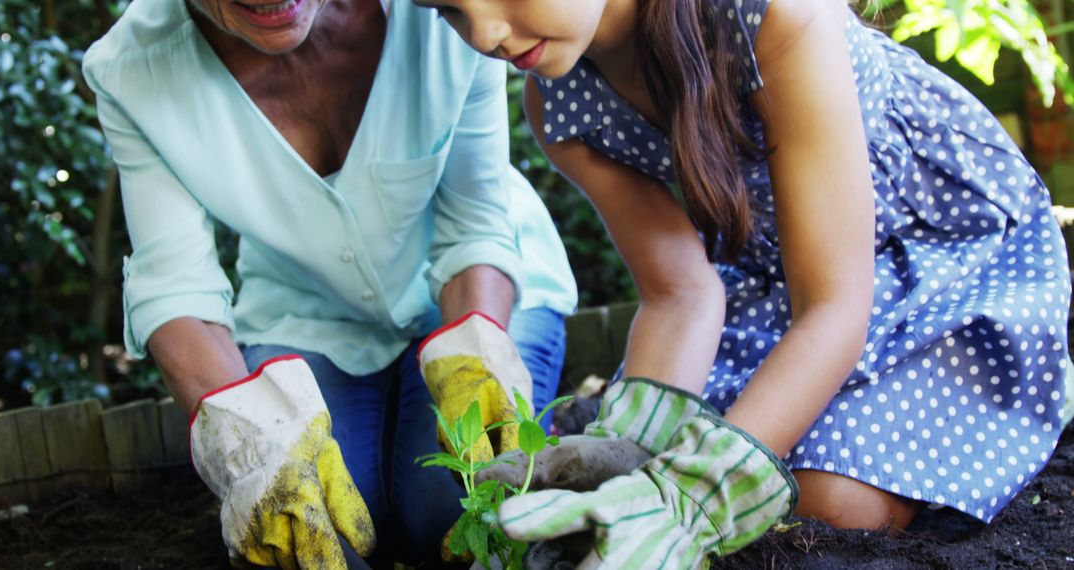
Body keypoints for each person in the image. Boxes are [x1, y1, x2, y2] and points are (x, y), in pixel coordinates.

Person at [420, 0, 1074, 565]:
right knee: (668, 473)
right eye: (448, 10)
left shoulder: (770, 16)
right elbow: (680, 292)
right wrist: (634, 447)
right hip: (773, 286)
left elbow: (836, 303)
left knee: (827, 505)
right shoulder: (559, 106)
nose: (483, 36)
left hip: (941, 253)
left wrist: (694, 495)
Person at [82, 0, 578, 567]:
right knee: (323, 530)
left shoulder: (450, 10)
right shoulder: (131, 69)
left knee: (452, 515)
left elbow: (475, 225)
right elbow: (176, 289)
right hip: (307, 313)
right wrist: (251, 453)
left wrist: (476, 347)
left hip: (477, 294)